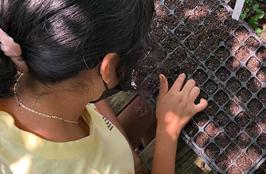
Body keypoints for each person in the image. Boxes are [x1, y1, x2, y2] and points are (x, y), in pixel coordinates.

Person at [0, 0, 208, 174]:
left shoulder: (22, 68)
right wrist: (168, 130)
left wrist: (131, 157)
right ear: (108, 68)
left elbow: (90, 101)